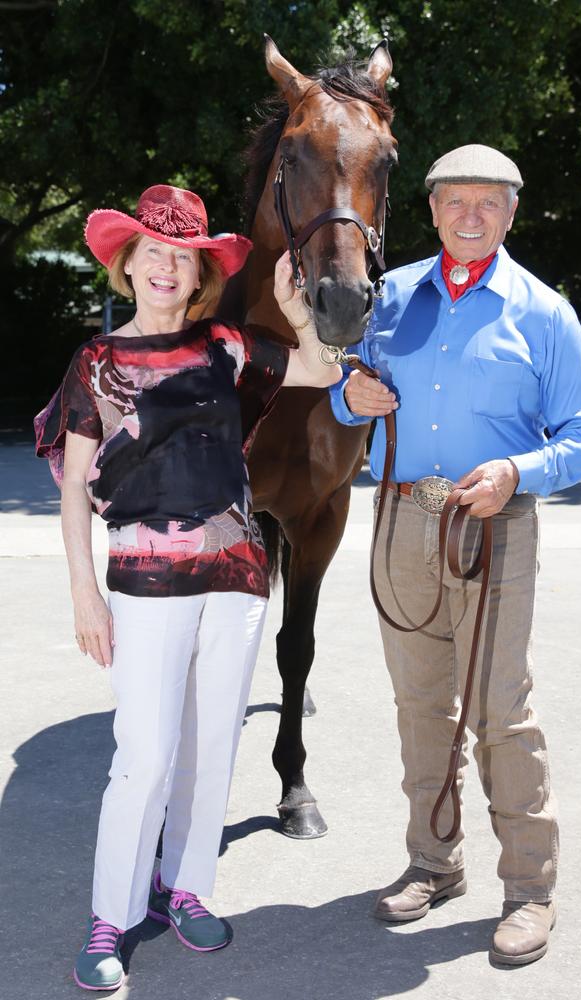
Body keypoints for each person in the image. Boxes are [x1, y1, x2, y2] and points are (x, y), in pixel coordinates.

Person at [34, 184, 338, 991]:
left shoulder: (228, 346)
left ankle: (186, 887)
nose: (166, 267)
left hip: (238, 580)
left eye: (183, 257)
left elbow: (322, 367)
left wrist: (295, 310)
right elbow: (70, 488)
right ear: (127, 265)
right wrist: (83, 596)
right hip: (142, 582)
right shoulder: (94, 364)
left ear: (200, 273)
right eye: (152, 253)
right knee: (144, 755)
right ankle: (112, 915)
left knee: (211, 750)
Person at [329, 144, 581, 966]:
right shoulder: (389, 298)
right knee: (421, 706)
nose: (470, 216)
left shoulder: (543, 310)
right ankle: (433, 861)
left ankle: (530, 888)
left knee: (499, 713)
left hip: (495, 526)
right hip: (397, 523)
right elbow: (350, 390)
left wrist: (520, 470)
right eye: (455, 200)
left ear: (512, 212)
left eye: (488, 202)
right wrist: (348, 395)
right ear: (430, 210)